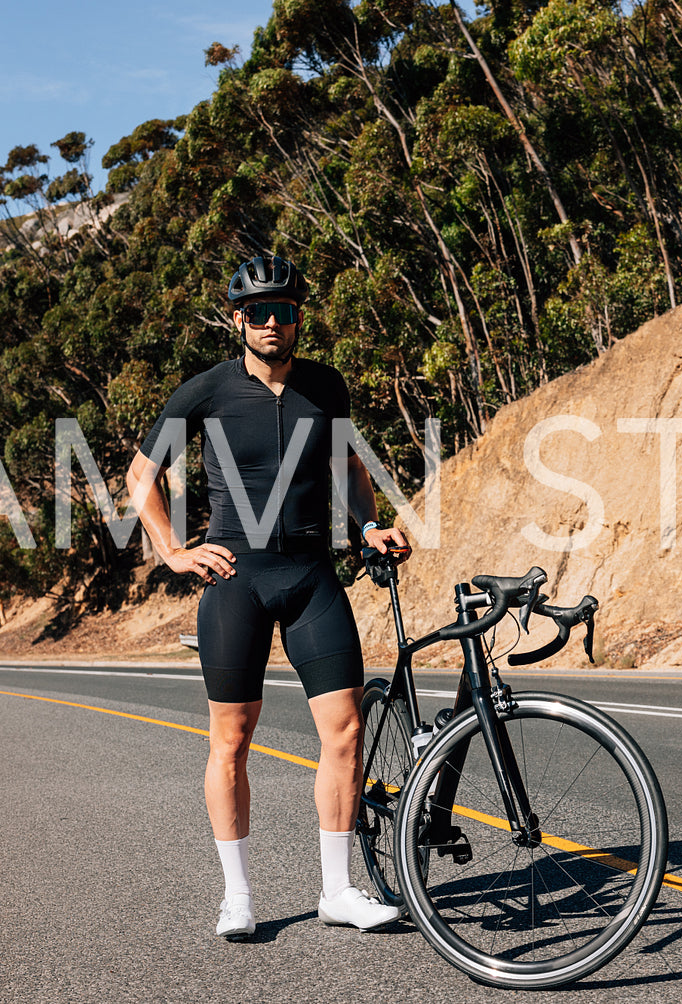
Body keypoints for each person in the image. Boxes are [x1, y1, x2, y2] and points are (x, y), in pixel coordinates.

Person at [124, 253, 408, 938]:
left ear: (298, 316)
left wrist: (368, 525)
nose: (271, 323)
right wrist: (173, 551)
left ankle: (337, 891)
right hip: (235, 581)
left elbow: (346, 466)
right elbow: (140, 477)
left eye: (283, 311)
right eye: (258, 313)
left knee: (344, 733)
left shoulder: (324, 386)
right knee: (231, 740)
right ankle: (238, 897)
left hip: (312, 577)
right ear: (237, 320)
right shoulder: (205, 392)